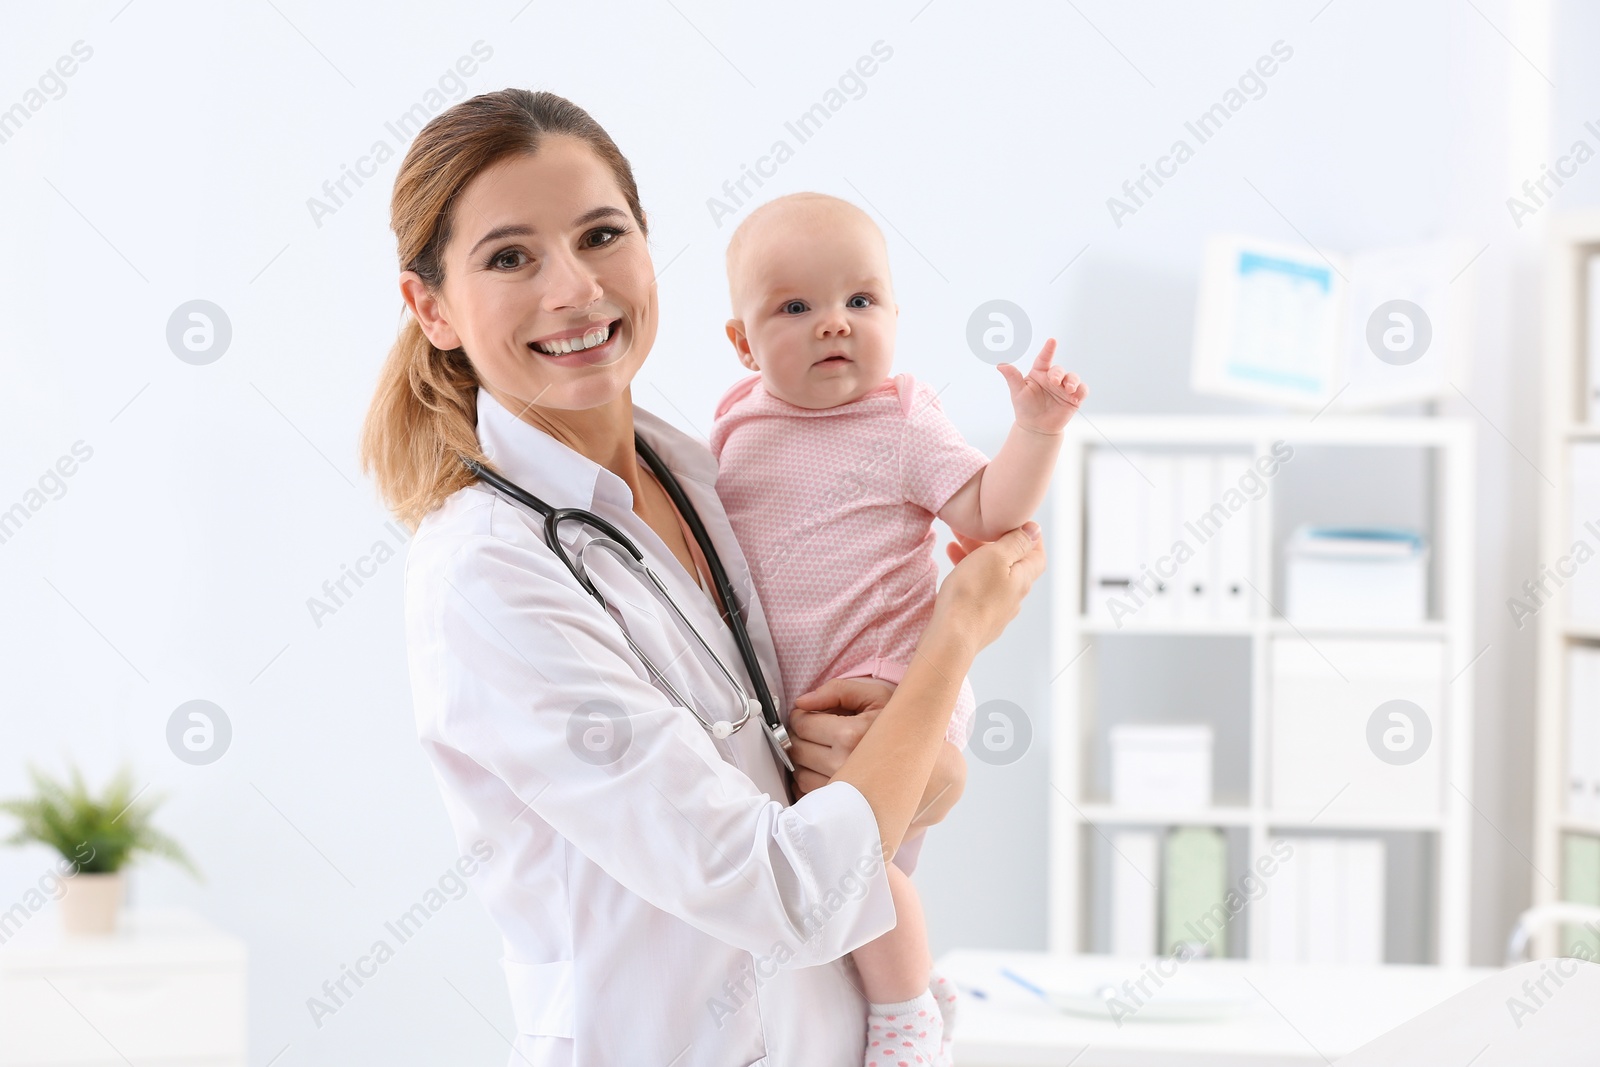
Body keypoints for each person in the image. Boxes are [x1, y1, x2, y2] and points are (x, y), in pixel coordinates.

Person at [360, 88, 1045, 1066]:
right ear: (431, 307)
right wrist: (955, 636)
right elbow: (783, 890)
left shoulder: (707, 468)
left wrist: (926, 767)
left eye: (601, 235)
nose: (575, 289)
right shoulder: (488, 575)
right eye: (511, 256)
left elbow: (809, 774)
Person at [710, 192, 1087, 1066]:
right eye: (796, 308)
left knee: (860, 859)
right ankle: (914, 984)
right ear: (742, 342)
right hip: (799, 706)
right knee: (841, 870)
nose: (834, 325)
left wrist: (1035, 432)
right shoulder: (735, 423)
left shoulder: (901, 419)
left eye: (860, 301)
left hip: (892, 676)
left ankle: (910, 1016)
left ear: (893, 314)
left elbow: (990, 512)